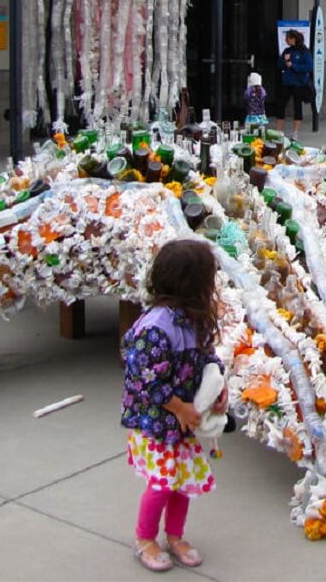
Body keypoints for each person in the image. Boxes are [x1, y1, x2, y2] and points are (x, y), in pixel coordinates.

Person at [122, 239, 228, 572]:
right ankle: (145, 538)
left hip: (184, 418)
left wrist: (218, 384)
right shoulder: (156, 327)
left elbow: (206, 357)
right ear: (192, 283)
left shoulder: (192, 318)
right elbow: (143, 378)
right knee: (162, 483)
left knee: (183, 482)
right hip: (155, 420)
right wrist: (179, 407)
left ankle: (175, 535)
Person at [276, 29, 314, 140]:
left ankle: (295, 133)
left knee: (297, 107)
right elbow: (280, 64)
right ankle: (278, 132)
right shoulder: (287, 51)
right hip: (286, 83)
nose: (286, 40)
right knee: (280, 105)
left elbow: (308, 67)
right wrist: (285, 63)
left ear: (293, 39)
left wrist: (294, 65)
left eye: (287, 38)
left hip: (299, 84)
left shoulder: (304, 52)